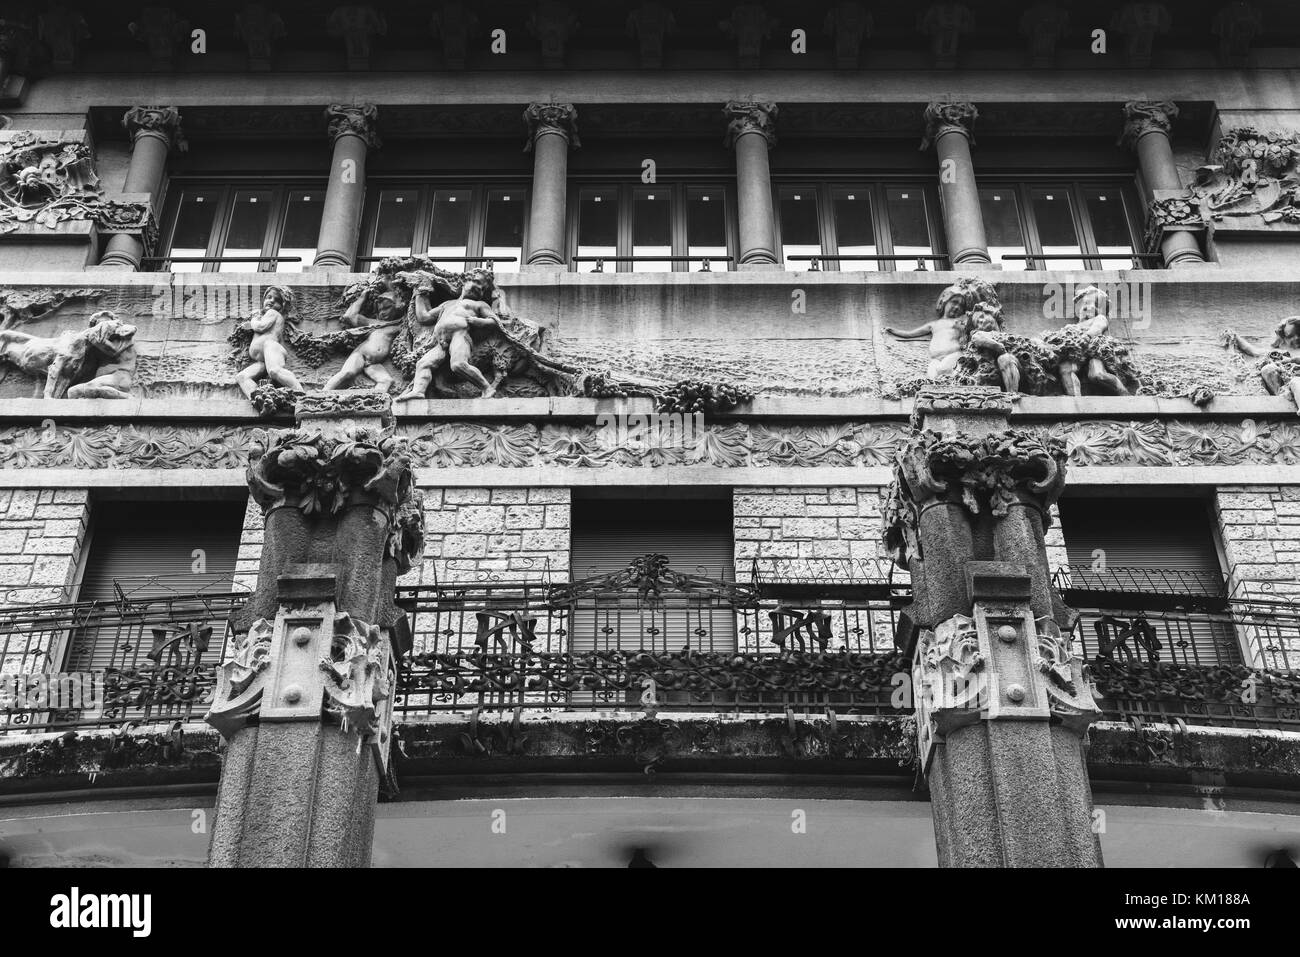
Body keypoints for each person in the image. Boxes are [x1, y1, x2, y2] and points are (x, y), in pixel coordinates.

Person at [396, 269, 508, 400]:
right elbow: (424, 317)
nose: (479, 288)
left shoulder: (478, 304)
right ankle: (419, 391)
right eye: (476, 282)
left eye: (482, 288)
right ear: (464, 282)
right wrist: (420, 293)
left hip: (460, 337)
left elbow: (494, 321)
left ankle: (487, 389)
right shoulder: (447, 304)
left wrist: (479, 321)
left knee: (458, 365)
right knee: (422, 364)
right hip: (441, 343)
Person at [1041, 284, 1135, 396]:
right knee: (1065, 370)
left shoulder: (1099, 318)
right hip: (1076, 352)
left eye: (1090, 305)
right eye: (1083, 306)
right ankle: (1075, 401)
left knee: (1097, 375)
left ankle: (1124, 393)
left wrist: (1087, 336)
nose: (1085, 309)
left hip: (1093, 351)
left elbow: (1098, 328)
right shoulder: (1074, 327)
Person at [324, 286, 410, 391]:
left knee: (386, 380)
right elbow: (349, 316)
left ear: (397, 307)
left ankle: (377, 402)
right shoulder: (374, 323)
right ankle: (323, 392)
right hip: (361, 355)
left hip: (373, 363)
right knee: (347, 373)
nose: (382, 312)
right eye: (380, 309)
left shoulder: (401, 325)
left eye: (387, 308)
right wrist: (363, 296)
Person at [885, 283, 974, 380]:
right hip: (936, 358)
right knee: (932, 377)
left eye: (961, 305)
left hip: (954, 355)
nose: (957, 307)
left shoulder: (957, 322)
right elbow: (910, 333)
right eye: (954, 302)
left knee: (942, 369)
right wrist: (893, 331)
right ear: (944, 302)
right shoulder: (933, 324)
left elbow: (969, 329)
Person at [235, 285, 304, 399]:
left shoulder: (273, 313)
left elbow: (261, 326)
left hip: (270, 348)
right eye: (269, 297)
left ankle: (300, 394)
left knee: (274, 371)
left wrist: (253, 322)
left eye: (277, 300)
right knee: (242, 377)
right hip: (263, 361)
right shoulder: (270, 317)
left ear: (282, 306)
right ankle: (258, 399)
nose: (271, 301)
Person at [1225, 317, 1300, 412]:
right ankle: (1282, 396)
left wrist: (1293, 360)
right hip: (1284, 386)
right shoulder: (1278, 353)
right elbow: (1252, 350)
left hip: (1297, 381)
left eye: (1299, 334)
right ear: (1283, 338)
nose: (1296, 338)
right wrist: (1234, 336)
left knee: (1296, 382)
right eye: (1290, 336)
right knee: (1268, 369)